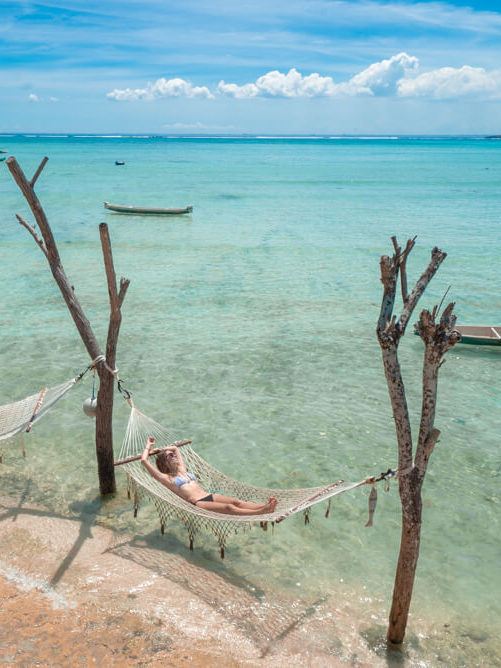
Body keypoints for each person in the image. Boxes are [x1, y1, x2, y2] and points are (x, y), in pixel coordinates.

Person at [141, 436, 277, 516]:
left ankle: (264, 506)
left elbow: (176, 448)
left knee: (236, 502)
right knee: (229, 508)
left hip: (208, 495)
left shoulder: (182, 469)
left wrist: (163, 450)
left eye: (173, 455)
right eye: (170, 456)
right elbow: (144, 461)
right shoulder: (167, 479)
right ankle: (261, 512)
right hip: (197, 503)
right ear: (165, 463)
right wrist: (149, 446)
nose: (174, 455)